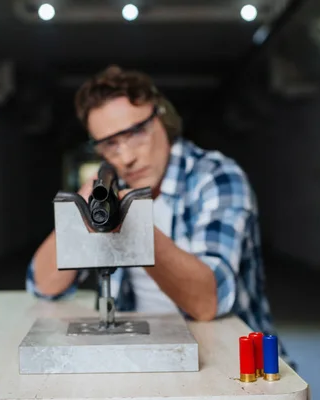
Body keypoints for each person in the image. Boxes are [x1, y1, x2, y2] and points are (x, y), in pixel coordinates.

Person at [25, 65, 294, 367]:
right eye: (110, 144)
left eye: (135, 133)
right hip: (150, 354)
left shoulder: (216, 176)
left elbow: (208, 302)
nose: (127, 157)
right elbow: (43, 285)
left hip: (237, 362)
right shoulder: (116, 188)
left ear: (163, 119)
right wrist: (79, 213)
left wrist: (134, 228)